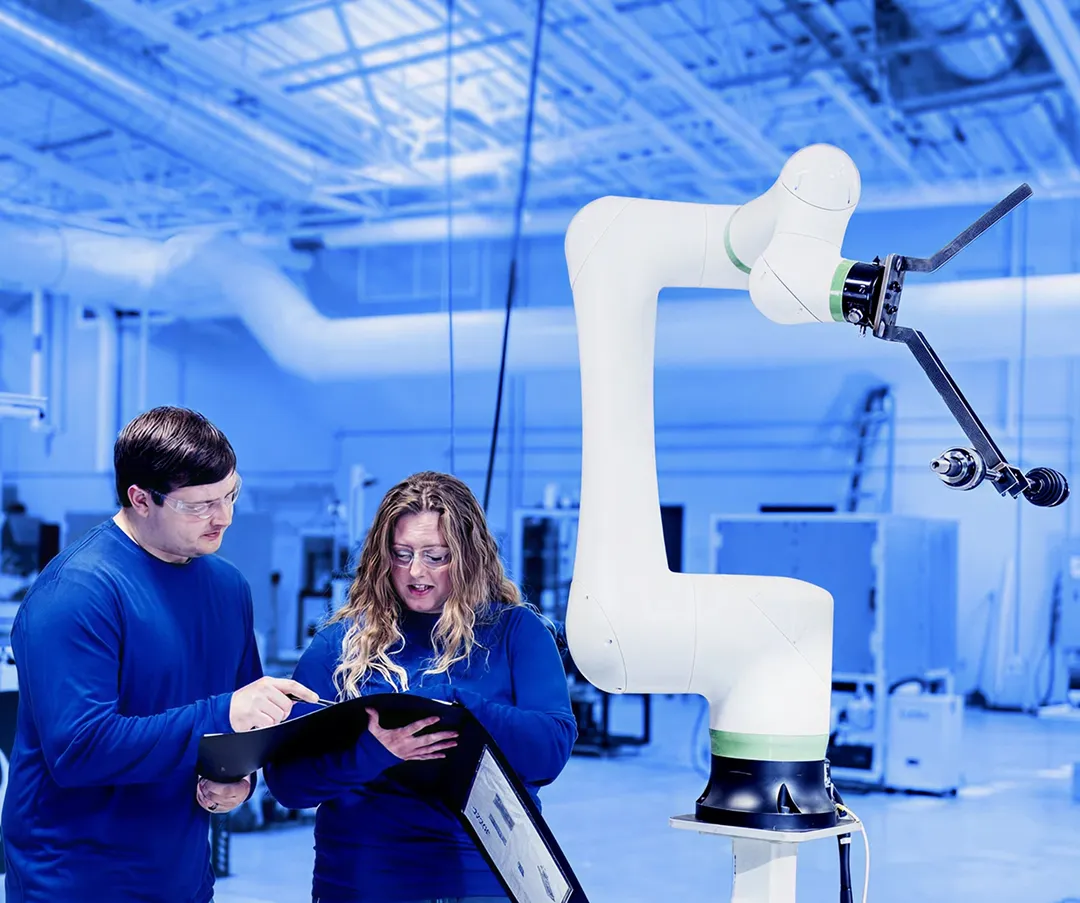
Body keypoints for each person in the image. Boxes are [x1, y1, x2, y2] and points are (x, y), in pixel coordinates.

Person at [1, 406, 318, 903]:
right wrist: (222, 713)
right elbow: (78, 750)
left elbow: (240, 734)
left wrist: (236, 781)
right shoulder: (77, 592)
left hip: (181, 880)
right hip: (74, 884)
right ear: (140, 499)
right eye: (199, 505)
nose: (224, 518)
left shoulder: (228, 587)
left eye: (230, 494)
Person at [264, 471, 577, 903]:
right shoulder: (339, 644)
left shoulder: (516, 632)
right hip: (363, 877)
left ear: (469, 558)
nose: (415, 572)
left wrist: (460, 711)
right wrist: (373, 752)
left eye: (436, 556)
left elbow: (549, 753)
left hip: (481, 875)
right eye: (402, 554)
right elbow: (288, 782)